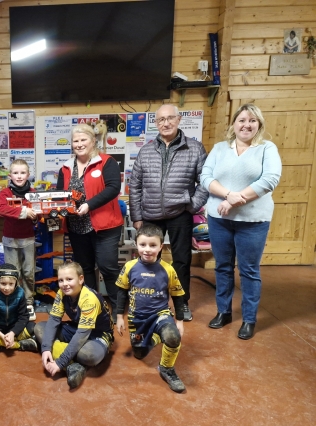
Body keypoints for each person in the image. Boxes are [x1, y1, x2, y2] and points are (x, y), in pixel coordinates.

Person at [200, 103, 282, 340]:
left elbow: (270, 180)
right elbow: (206, 177)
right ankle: (223, 312)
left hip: (253, 221)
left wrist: (235, 200)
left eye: (252, 121)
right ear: (233, 124)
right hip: (219, 219)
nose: (246, 125)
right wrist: (228, 195)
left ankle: (248, 319)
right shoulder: (219, 148)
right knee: (222, 267)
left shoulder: (267, 148)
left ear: (259, 125)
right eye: (242, 120)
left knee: (248, 271)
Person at [128, 104, 209, 322]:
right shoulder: (145, 151)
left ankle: (182, 304)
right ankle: (153, 303)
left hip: (180, 213)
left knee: (181, 260)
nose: (165, 123)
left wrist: (192, 206)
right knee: (148, 260)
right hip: (150, 214)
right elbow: (134, 186)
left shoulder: (195, 148)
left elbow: (206, 181)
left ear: (178, 119)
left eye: (170, 118)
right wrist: (137, 217)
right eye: (161, 119)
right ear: (156, 123)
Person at [56, 123, 123, 317]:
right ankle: (95, 304)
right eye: (75, 141)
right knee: (85, 268)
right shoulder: (66, 168)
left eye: (83, 139)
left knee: (107, 267)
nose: (79, 144)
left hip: (104, 225)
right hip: (77, 226)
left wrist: (89, 205)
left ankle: (118, 307)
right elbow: (61, 194)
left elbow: (113, 188)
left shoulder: (106, 162)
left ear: (93, 141)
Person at [115, 224, 187, 393]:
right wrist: (119, 317)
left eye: (153, 245)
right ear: (136, 244)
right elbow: (121, 293)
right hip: (136, 318)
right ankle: (154, 338)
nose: (147, 250)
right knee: (139, 353)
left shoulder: (168, 270)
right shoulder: (129, 267)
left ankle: (166, 368)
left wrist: (180, 321)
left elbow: (178, 295)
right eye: (143, 245)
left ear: (161, 246)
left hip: (160, 315)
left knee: (172, 337)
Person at [34, 262, 113, 390]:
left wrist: (60, 362)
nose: (65, 284)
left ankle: (70, 357)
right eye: (61, 280)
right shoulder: (61, 293)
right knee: (40, 328)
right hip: (76, 327)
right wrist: (46, 348)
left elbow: (83, 334)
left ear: (81, 279)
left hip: (97, 334)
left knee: (88, 355)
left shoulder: (89, 298)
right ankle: (75, 365)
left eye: (69, 279)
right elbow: (54, 319)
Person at [0, 159, 37, 321]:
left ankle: (28, 301)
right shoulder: (5, 193)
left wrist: (36, 216)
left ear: (28, 174)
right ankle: (16, 301)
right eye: (15, 173)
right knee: (13, 272)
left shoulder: (33, 192)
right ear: (10, 175)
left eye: (22, 173)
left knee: (28, 272)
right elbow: (0, 210)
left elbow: (40, 209)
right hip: (10, 239)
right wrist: (24, 211)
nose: (19, 176)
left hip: (28, 238)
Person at [0, 264, 38, 356]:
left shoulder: (20, 293)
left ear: (16, 283)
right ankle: (18, 344)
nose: (7, 288)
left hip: (13, 328)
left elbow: (24, 316)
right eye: (3, 284)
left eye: (11, 284)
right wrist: (1, 335)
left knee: (34, 327)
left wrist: (12, 333)